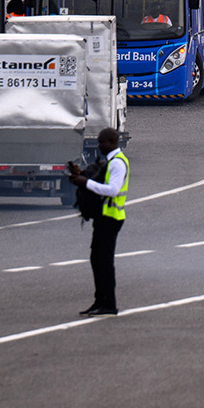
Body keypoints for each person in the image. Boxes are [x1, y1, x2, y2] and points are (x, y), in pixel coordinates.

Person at [79, 127, 129, 317]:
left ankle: (109, 303)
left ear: (111, 142)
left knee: (104, 262)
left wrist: (86, 183)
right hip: (104, 217)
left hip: (111, 218)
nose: (99, 145)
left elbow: (113, 190)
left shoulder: (117, 163)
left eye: (102, 142)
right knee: (96, 260)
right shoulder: (111, 161)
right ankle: (100, 301)